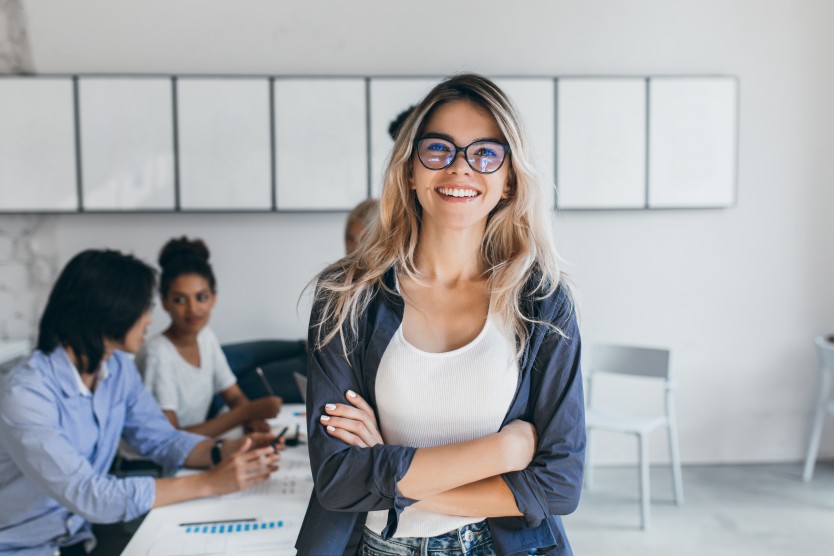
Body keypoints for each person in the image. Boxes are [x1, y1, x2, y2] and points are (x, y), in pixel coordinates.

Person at [298, 74, 584, 555]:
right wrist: (504, 451)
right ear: (410, 169)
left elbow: (560, 483)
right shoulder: (347, 296)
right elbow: (338, 481)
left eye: (486, 153)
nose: (460, 169)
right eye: (439, 150)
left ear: (509, 179)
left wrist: (387, 471)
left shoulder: (542, 302)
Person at [0, 249, 281, 556]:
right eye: (143, 307)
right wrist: (211, 482)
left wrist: (224, 451)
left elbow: (160, 438)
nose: (149, 318)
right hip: (19, 546)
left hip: (77, 538)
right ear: (108, 311)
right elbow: (90, 495)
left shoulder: (117, 367)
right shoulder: (26, 393)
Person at [137, 237, 283, 437]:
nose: (193, 309)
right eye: (180, 300)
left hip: (193, 450)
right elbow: (169, 439)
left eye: (201, 297)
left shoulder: (206, 338)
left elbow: (233, 396)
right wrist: (247, 412)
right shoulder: (157, 354)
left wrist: (252, 420)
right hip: (157, 464)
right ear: (164, 302)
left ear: (214, 298)